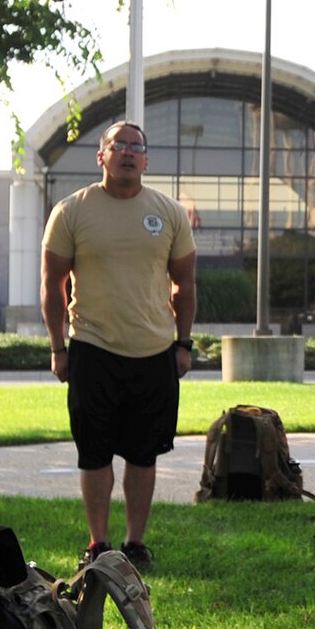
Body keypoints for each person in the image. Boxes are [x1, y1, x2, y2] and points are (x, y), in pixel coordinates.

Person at [40, 121, 198, 571]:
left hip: (154, 353)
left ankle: (134, 544)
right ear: (101, 156)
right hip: (92, 348)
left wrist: (183, 344)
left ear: (146, 160)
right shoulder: (72, 211)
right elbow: (52, 284)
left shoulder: (169, 213)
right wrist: (58, 347)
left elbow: (184, 285)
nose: (128, 152)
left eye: (136, 147)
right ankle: (98, 544)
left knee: (143, 453)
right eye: (118, 145)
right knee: (93, 452)